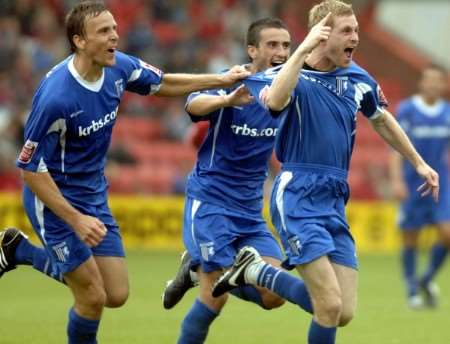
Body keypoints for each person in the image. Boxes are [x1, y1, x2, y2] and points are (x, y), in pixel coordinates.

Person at [0, 1, 249, 343]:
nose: (114, 35)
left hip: (92, 193)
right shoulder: (56, 98)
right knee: (91, 298)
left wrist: (220, 79)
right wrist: (75, 220)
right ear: (80, 41)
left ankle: (19, 251)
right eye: (103, 31)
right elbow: (29, 169)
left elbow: (163, 83)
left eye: (114, 28)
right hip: (54, 201)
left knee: (115, 294)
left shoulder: (118, 68)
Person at [212, 1, 439, 344]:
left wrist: (418, 162)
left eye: (357, 30)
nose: (355, 38)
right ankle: (255, 270)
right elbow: (273, 101)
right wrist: (302, 49)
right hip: (298, 192)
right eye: (347, 31)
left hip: (334, 195)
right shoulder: (288, 73)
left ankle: (255, 270)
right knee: (328, 306)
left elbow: (381, 118)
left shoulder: (357, 77)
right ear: (322, 35)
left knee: (343, 312)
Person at [166, 18, 315, 344]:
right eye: (272, 44)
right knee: (213, 296)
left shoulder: (287, 90)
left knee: (273, 295)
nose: (281, 51)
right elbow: (193, 103)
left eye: (286, 45)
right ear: (252, 49)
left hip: (248, 211)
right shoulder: (234, 79)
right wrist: (225, 100)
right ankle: (203, 271)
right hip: (211, 201)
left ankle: (200, 269)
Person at [390, 64, 450, 309]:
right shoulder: (408, 110)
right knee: (411, 238)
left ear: (444, 85)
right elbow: (395, 148)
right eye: (430, 80)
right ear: (422, 83)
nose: (434, 85)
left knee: (447, 235)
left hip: (441, 184)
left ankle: (426, 279)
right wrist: (397, 180)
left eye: (439, 81)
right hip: (413, 182)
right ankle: (412, 289)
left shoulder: (447, 112)